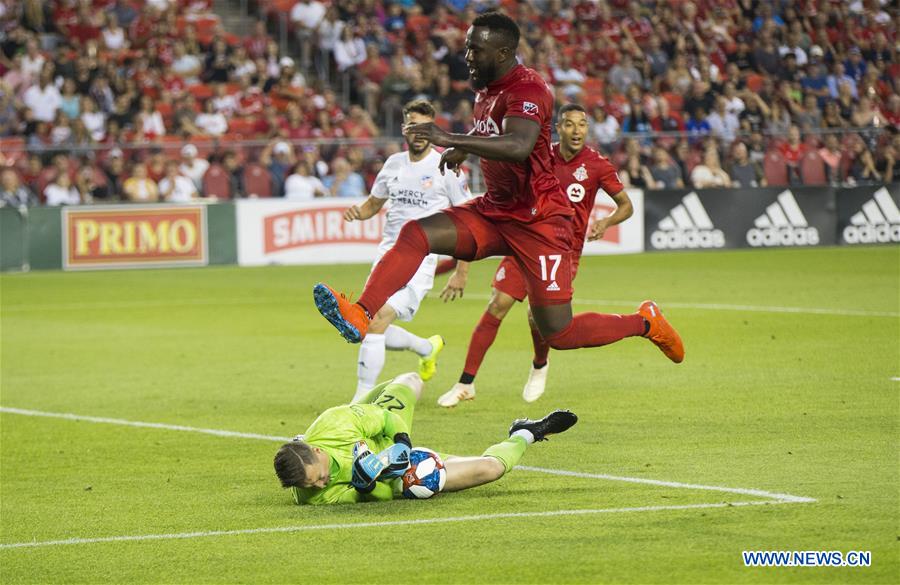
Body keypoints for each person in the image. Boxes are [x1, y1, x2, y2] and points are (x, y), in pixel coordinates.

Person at [312, 13, 683, 387]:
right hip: (496, 211)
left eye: (476, 48)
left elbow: (519, 145)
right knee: (416, 233)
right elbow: (493, 128)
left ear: (504, 51)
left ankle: (646, 322)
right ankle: (361, 313)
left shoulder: (529, 90)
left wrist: (452, 139)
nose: (468, 55)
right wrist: (466, 145)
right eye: (468, 46)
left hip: (540, 222)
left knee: (559, 332)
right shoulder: (487, 87)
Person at [439, 104, 635, 406]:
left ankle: (539, 365)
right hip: (525, 241)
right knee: (497, 304)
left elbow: (626, 205)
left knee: (537, 316)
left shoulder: (596, 165)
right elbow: (503, 150)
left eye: (582, 125)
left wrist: (605, 221)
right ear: (559, 128)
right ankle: (466, 383)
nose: (577, 131)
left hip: (562, 253)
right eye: (569, 124)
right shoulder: (541, 156)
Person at [273, 372, 578, 505]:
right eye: (309, 485)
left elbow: (388, 420)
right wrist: (366, 486)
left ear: (315, 448)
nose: (318, 485)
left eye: (317, 477)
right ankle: (526, 432)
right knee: (491, 469)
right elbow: (379, 497)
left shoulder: (334, 424)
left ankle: (407, 373)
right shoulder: (312, 496)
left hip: (386, 434)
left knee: (411, 380)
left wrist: (402, 444)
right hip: (397, 477)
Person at [345, 99, 472, 402]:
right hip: (387, 257)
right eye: (413, 126)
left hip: (422, 259)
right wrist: (358, 213)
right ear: (404, 128)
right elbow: (374, 204)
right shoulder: (393, 164)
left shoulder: (447, 166)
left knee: (375, 320)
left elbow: (469, 220)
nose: (419, 133)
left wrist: (461, 270)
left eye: (425, 127)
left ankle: (359, 403)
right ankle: (427, 348)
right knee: (368, 324)